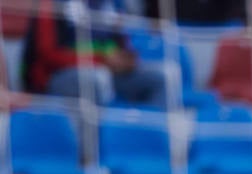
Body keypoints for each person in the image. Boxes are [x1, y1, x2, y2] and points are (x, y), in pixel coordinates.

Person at [21, 0, 167, 107]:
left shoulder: (113, 4)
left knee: (164, 77)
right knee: (97, 79)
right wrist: (101, 60)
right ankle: (96, 146)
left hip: (108, 71)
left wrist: (126, 59)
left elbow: (122, 42)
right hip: (57, 77)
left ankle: (151, 143)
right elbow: (47, 54)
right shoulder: (51, 3)